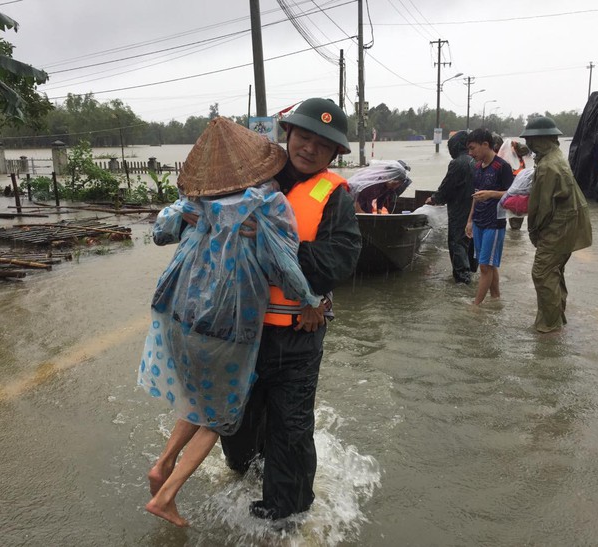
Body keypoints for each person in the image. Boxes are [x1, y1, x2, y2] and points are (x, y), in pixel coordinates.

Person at [138, 117, 324, 526]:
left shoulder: (194, 202)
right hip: (226, 321)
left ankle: (163, 463)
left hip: (178, 311)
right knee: (222, 415)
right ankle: (166, 494)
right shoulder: (267, 202)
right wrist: (312, 301)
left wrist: (189, 216)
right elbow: (285, 267)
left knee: (202, 394)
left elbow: (159, 233)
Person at [220, 98, 362, 521]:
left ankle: (287, 516)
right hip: (239, 330)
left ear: (334, 154)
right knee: (237, 423)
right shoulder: (249, 179)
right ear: (288, 135)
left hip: (296, 338)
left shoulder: (335, 196)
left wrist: (274, 247)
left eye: (323, 144)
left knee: (292, 429)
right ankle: (243, 474)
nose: (310, 149)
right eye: (304, 137)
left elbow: (340, 260)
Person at [520, 116, 592, 333]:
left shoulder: (548, 166)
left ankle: (549, 327)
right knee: (552, 272)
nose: (529, 146)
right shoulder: (555, 157)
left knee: (542, 272)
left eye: (532, 141)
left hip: (558, 227)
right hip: (568, 224)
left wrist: (533, 231)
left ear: (543, 139)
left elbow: (541, 207)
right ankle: (555, 318)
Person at [465, 128, 514, 305]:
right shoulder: (477, 168)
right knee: (488, 264)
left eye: (473, 148)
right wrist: (470, 220)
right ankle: (496, 299)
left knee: (485, 266)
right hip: (478, 221)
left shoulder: (502, 167)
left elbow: (512, 195)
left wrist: (492, 194)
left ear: (486, 145)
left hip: (495, 223)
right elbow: (476, 196)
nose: (471, 154)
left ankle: (476, 305)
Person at [425, 130, 475, 284]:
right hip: (475, 209)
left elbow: (447, 186)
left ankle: (462, 279)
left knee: (457, 242)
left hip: (460, 209)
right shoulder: (476, 161)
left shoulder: (458, 163)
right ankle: (472, 271)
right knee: (472, 240)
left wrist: (434, 199)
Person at [347, 160, 412, 213]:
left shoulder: (388, 187)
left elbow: (382, 198)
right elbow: (358, 195)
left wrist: (379, 209)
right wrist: (359, 211)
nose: (397, 186)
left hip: (365, 201)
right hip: (351, 199)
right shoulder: (374, 183)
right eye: (397, 183)